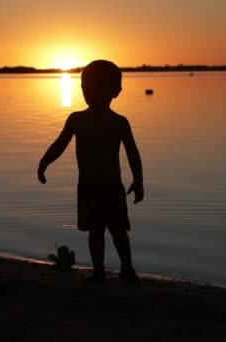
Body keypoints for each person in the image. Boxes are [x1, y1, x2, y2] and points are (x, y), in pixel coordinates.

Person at [37, 60, 144, 284]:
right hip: (88, 187)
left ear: (116, 91)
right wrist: (44, 162)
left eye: (100, 87)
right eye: (88, 87)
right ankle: (98, 270)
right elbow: (59, 144)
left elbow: (133, 153)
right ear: (82, 89)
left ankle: (127, 268)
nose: (92, 92)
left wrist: (138, 180)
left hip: (113, 187)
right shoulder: (76, 120)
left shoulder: (119, 122)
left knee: (118, 231)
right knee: (95, 231)